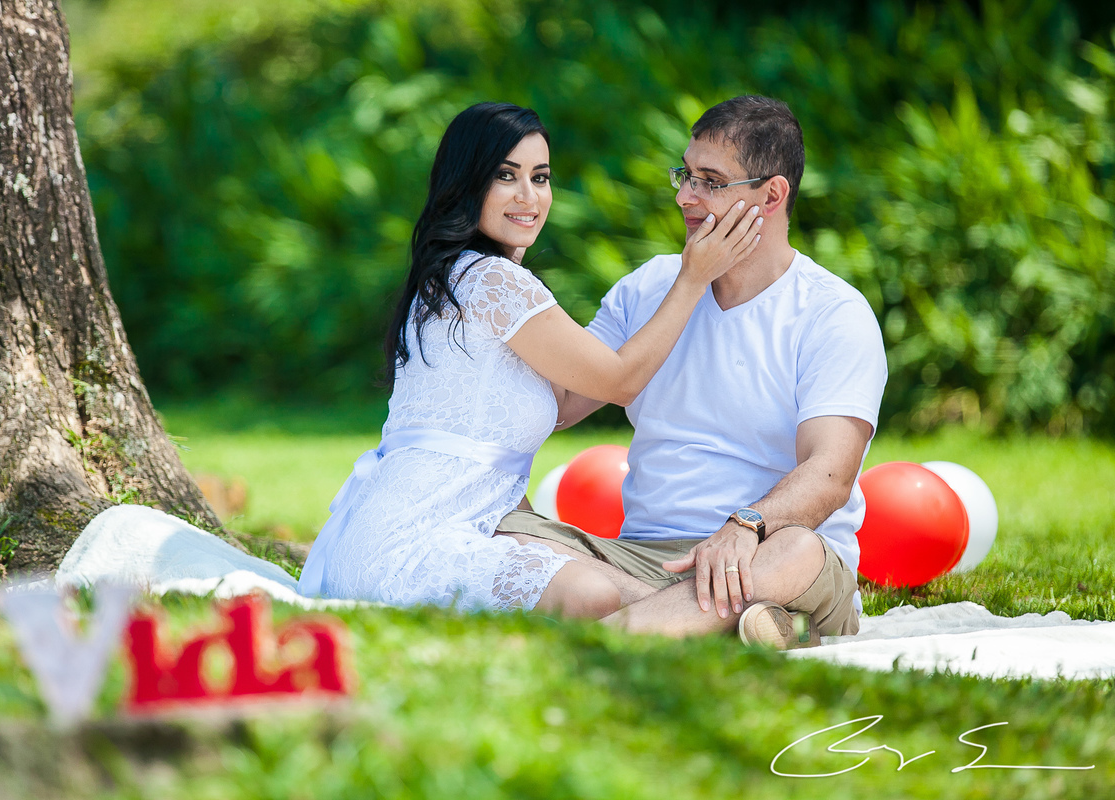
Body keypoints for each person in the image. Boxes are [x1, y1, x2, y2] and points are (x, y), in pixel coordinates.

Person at [297, 102, 763, 616]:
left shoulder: (455, 277)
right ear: (467, 183)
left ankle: (727, 610)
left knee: (589, 581)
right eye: (505, 176)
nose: (529, 196)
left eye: (540, 178)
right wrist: (693, 278)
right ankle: (732, 611)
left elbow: (560, 403)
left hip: (419, 530)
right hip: (409, 542)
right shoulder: (492, 282)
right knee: (591, 594)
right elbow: (621, 381)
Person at [497, 95, 888, 646]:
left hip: (767, 550)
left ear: (771, 194)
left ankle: (606, 638)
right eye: (685, 174)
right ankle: (718, 621)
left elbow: (830, 474)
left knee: (797, 550)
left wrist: (744, 525)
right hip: (640, 558)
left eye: (709, 181)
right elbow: (560, 404)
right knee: (503, 530)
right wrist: (502, 279)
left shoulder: (833, 313)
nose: (685, 197)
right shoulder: (649, 286)